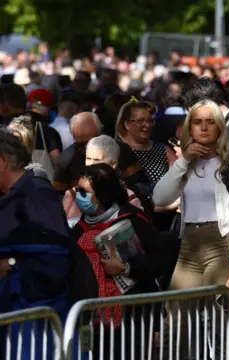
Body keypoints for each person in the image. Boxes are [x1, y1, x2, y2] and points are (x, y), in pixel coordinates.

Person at [153, 99, 229, 295]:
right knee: (176, 317)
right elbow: (159, 198)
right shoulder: (186, 161)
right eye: (197, 122)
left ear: (220, 126)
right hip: (189, 243)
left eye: (211, 121)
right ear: (190, 127)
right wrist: (184, 160)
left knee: (220, 315)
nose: (204, 127)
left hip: (222, 240)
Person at [69, 163, 164, 360]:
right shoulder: (79, 228)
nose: (78, 196)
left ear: (102, 195)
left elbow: (158, 261)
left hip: (131, 316)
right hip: (91, 317)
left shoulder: (133, 220)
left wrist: (126, 268)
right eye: (77, 190)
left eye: (84, 192)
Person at [0, 129, 72, 359]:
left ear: (3, 161)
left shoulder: (37, 193)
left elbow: (57, 255)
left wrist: (10, 264)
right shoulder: (11, 195)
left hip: (36, 317)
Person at [116, 98, 178, 231]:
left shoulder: (163, 149)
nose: (147, 125)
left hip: (167, 220)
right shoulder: (118, 151)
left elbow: (180, 177)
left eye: (150, 120)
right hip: (135, 222)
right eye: (141, 121)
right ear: (127, 124)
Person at [63, 135, 143, 220]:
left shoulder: (129, 198)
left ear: (113, 164)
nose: (91, 164)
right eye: (88, 158)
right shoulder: (73, 195)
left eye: (97, 160)